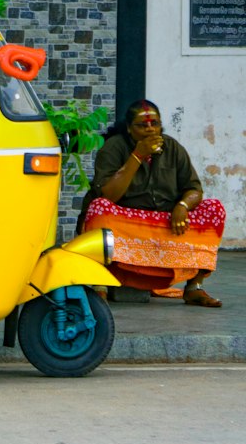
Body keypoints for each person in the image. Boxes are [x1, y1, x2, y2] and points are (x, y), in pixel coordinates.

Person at [81, 99, 225, 307]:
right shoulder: (114, 147)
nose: (150, 129)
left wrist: (182, 206)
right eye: (142, 125)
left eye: (154, 123)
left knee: (214, 209)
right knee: (99, 208)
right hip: (126, 222)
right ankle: (99, 285)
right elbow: (108, 196)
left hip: (166, 221)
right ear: (129, 129)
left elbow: (194, 189)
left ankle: (194, 287)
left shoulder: (173, 148)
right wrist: (138, 156)